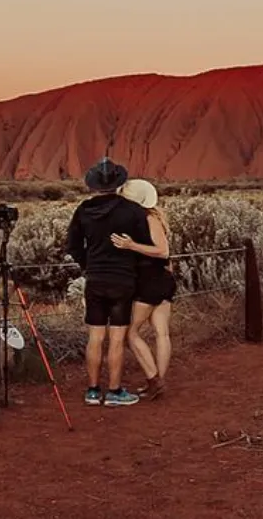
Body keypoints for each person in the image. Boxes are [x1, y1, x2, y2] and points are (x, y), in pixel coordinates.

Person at [66, 157, 152, 407]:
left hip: (95, 280)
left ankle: (92, 391)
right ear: (118, 183)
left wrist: (88, 265)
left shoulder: (83, 210)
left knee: (95, 337)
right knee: (116, 339)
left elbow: (72, 246)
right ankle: (114, 392)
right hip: (123, 281)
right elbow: (143, 246)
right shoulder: (133, 211)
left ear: (94, 184)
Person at [111, 179, 175, 400]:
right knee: (161, 333)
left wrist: (131, 246)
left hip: (151, 281)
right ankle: (158, 382)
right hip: (161, 279)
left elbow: (163, 251)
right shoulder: (148, 219)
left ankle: (154, 380)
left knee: (131, 333)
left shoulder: (149, 218)